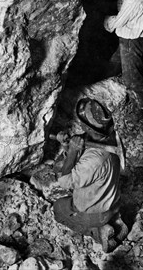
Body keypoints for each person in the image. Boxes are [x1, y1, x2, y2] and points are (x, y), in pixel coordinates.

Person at [53, 98, 126, 253]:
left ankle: (97, 232)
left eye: (82, 123)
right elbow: (83, 144)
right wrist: (67, 144)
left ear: (88, 127)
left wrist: (72, 151)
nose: (80, 125)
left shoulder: (92, 161)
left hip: (97, 213)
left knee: (59, 209)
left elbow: (65, 182)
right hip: (112, 202)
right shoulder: (109, 137)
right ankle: (116, 220)